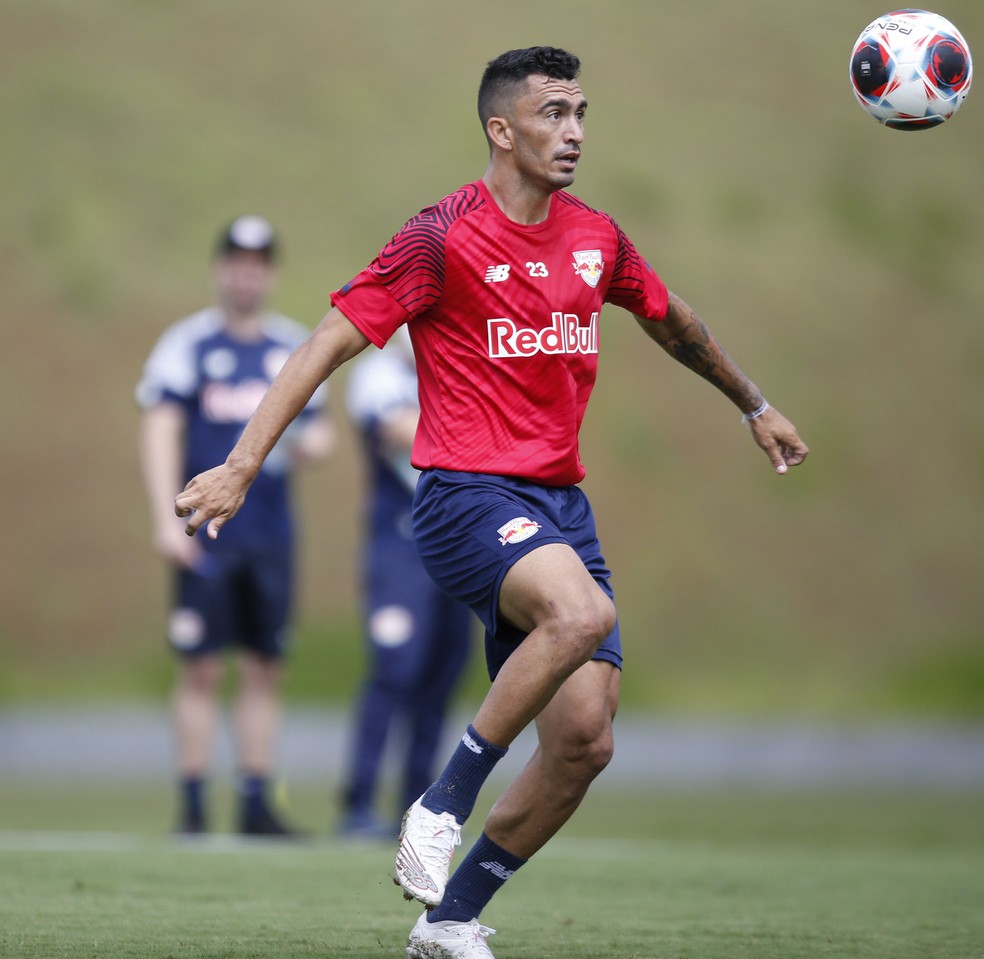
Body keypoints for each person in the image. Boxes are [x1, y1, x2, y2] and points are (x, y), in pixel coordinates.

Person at [172, 47, 808, 957]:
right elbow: (325, 343)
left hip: (557, 507)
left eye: (582, 112)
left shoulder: (597, 237)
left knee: (586, 741)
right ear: (500, 130)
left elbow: (673, 321)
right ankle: (440, 803)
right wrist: (240, 464)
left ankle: (450, 916)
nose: (576, 131)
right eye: (554, 113)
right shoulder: (440, 236)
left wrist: (754, 403)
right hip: (463, 496)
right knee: (583, 610)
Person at [136, 215, 334, 836]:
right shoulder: (186, 344)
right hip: (204, 530)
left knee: (265, 664)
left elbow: (320, 428)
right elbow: (160, 425)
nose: (246, 274)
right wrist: (165, 518)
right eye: (236, 262)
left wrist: (310, 442)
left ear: (269, 273)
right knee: (199, 664)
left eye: (258, 264)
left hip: (269, 533)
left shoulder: (290, 347)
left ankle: (255, 799)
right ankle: (192, 803)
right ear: (220, 268)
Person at [338, 330, 474, 839]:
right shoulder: (379, 373)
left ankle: (416, 805)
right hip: (399, 543)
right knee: (395, 667)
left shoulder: (454, 371)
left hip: (456, 543)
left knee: (443, 672)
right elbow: (402, 428)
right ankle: (358, 801)